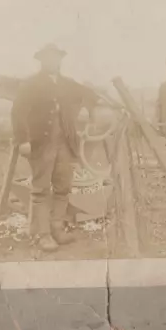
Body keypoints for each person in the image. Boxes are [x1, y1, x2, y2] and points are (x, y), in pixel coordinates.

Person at [11, 44, 99, 252]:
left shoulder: (68, 84)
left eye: (57, 58)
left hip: (66, 144)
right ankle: (42, 235)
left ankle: (57, 228)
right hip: (41, 145)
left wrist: (91, 113)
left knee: (63, 188)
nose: (53, 62)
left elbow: (90, 95)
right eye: (49, 58)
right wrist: (23, 140)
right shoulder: (30, 84)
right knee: (41, 190)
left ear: (60, 60)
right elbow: (17, 113)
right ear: (42, 61)